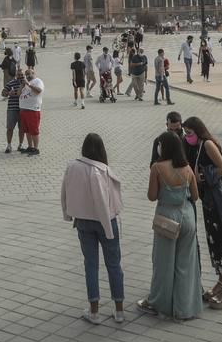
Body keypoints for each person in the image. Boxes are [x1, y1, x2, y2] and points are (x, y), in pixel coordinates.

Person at [61, 133, 126, 324]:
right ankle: (119, 310)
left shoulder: (72, 166)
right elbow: (102, 203)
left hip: (83, 221)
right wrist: (108, 228)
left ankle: (94, 310)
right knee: (114, 265)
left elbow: (64, 192)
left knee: (91, 265)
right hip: (105, 221)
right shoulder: (101, 170)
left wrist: (67, 214)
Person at [137, 131, 203, 320]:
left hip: (166, 218)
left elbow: (152, 196)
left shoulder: (157, 168)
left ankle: (159, 302)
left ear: (163, 147)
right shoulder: (188, 169)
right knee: (186, 264)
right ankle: (184, 307)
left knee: (163, 263)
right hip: (187, 217)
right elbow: (196, 196)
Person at [184, 117, 222, 309]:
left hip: (219, 202)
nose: (187, 137)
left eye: (189, 133)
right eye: (185, 133)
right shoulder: (196, 147)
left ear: (198, 131)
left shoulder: (207, 144)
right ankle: (221, 284)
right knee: (215, 244)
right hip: (209, 204)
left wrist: (204, 176)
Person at [18, 68, 45, 155]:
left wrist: (28, 84)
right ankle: (30, 147)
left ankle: (36, 149)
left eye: (29, 73)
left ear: (34, 73)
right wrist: (22, 85)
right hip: (24, 109)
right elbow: (18, 94)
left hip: (33, 109)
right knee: (27, 130)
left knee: (34, 130)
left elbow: (39, 91)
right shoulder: (24, 84)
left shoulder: (37, 81)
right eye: (26, 74)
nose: (27, 76)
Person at [3, 67, 26, 153]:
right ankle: (9, 145)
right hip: (12, 109)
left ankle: (20, 145)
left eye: (22, 75)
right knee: (10, 128)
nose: (20, 76)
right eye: (19, 75)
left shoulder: (27, 83)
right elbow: (3, 93)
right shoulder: (11, 83)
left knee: (22, 128)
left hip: (23, 109)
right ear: (16, 75)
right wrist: (8, 93)